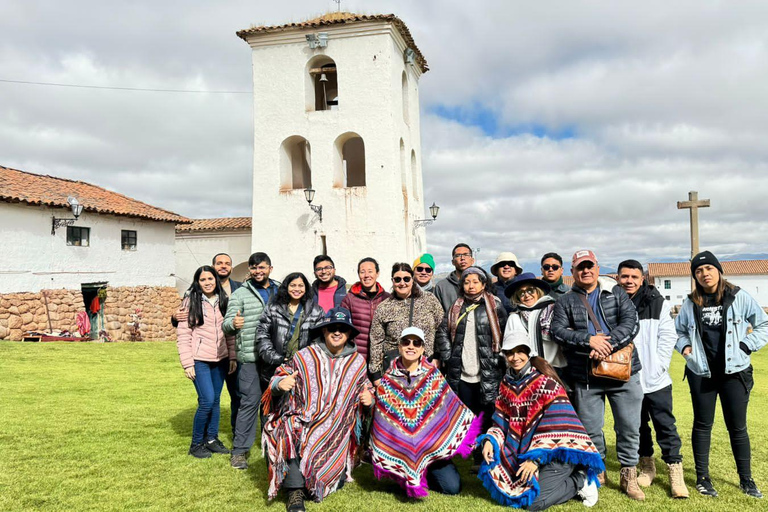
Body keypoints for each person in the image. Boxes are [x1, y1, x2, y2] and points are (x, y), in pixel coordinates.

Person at [551, 250, 643, 500]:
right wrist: (588, 340)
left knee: (628, 427)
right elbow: (557, 331)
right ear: (573, 272)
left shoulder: (616, 292)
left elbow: (631, 323)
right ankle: (598, 470)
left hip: (623, 372)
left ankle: (628, 474)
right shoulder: (565, 301)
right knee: (591, 428)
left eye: (589, 265)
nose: (585, 271)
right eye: (580, 267)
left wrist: (607, 345)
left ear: (597, 267)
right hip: (586, 376)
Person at [261, 307, 373, 511]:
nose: (337, 332)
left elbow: (366, 388)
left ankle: (318, 477)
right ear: (323, 330)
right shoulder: (304, 356)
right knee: (287, 426)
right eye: (332, 328)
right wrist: (280, 383)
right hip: (304, 420)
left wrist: (369, 399)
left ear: (349, 333)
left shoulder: (357, 362)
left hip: (336, 430)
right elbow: (279, 375)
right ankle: (295, 492)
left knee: (332, 484)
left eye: (343, 328)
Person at [675, 251, 767, 499]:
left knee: (738, 428)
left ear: (718, 270)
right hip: (701, 373)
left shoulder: (738, 297)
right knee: (703, 425)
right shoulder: (691, 302)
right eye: (699, 271)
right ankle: (703, 479)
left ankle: (746, 479)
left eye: (709, 269)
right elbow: (679, 331)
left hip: (735, 373)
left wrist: (746, 346)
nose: (704, 274)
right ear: (695, 276)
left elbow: (764, 324)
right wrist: (685, 348)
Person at [477, 334, 602, 510]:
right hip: (530, 451)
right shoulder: (507, 383)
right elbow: (502, 421)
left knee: (533, 503)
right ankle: (553, 477)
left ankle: (579, 480)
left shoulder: (546, 383)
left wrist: (535, 460)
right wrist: (490, 440)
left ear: (529, 353)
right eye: (510, 353)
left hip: (560, 452)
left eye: (520, 352)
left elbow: (559, 426)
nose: (515, 357)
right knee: (508, 485)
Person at [370, 327, 481, 498]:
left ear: (422, 348)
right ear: (399, 346)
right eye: (406, 342)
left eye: (416, 343)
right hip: (403, 452)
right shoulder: (388, 380)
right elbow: (383, 421)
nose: (411, 346)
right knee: (406, 482)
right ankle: (409, 473)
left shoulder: (433, 376)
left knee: (452, 488)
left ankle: (424, 471)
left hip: (434, 449)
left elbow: (452, 407)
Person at [616, 259, 688, 498]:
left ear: (641, 279)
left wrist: (658, 365)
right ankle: (647, 467)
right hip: (627, 378)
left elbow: (669, 335)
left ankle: (674, 471)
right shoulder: (613, 301)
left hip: (656, 378)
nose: (629, 281)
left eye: (634, 277)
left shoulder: (655, 302)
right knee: (637, 426)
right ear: (618, 278)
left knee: (665, 425)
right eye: (625, 276)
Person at [436, 266, 507, 470]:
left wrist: (497, 360)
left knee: (489, 412)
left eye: (476, 281)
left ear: (484, 284)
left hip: (488, 371)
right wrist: (449, 355)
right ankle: (474, 452)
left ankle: (489, 453)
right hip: (463, 371)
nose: (471, 285)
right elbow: (442, 332)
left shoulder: (495, 307)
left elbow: (504, 334)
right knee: (470, 415)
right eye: (467, 282)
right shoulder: (456, 307)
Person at [173, 253, 244, 433]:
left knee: (230, 397)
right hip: (202, 357)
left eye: (227, 263)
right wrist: (188, 363)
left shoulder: (236, 291)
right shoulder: (192, 299)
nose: (223, 266)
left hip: (226, 356)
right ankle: (200, 439)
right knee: (207, 399)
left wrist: (233, 356)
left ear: (231, 267)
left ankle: (223, 436)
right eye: (219, 263)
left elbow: (228, 331)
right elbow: (184, 332)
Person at [223, 252, 280, 470]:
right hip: (250, 357)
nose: (258, 271)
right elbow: (226, 323)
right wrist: (233, 324)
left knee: (274, 404)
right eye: (254, 268)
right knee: (249, 402)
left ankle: (270, 444)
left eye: (262, 267)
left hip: (275, 357)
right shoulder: (240, 293)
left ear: (270, 269)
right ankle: (239, 451)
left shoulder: (279, 290)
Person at [368, 263, 445, 383]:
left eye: (406, 279)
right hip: (394, 369)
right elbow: (376, 341)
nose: (402, 283)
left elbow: (441, 328)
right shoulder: (384, 307)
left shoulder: (429, 300)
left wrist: (437, 357)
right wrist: (376, 374)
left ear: (412, 279)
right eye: (397, 279)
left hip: (426, 364)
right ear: (392, 281)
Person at [257, 272, 326, 388]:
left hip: (303, 368)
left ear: (306, 288)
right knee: (271, 403)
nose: (297, 289)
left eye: (300, 285)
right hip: (274, 367)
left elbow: (320, 339)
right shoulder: (273, 307)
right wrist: (275, 358)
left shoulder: (316, 311)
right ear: (286, 287)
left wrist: (306, 360)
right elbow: (262, 335)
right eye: (293, 285)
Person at [503, 272, 567, 376]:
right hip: (526, 371)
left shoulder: (555, 310)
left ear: (538, 291)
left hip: (555, 369)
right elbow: (510, 348)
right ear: (518, 297)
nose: (527, 295)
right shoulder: (514, 317)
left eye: (530, 290)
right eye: (521, 293)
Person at [340, 257, 390, 364]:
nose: (366, 275)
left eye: (370, 271)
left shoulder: (387, 299)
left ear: (377, 273)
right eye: (362, 272)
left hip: (381, 357)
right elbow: (342, 327)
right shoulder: (349, 299)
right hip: (356, 357)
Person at [434, 243, 474, 312]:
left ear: (472, 260)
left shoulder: (482, 284)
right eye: (458, 255)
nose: (462, 258)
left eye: (466, 255)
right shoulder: (441, 287)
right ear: (453, 262)